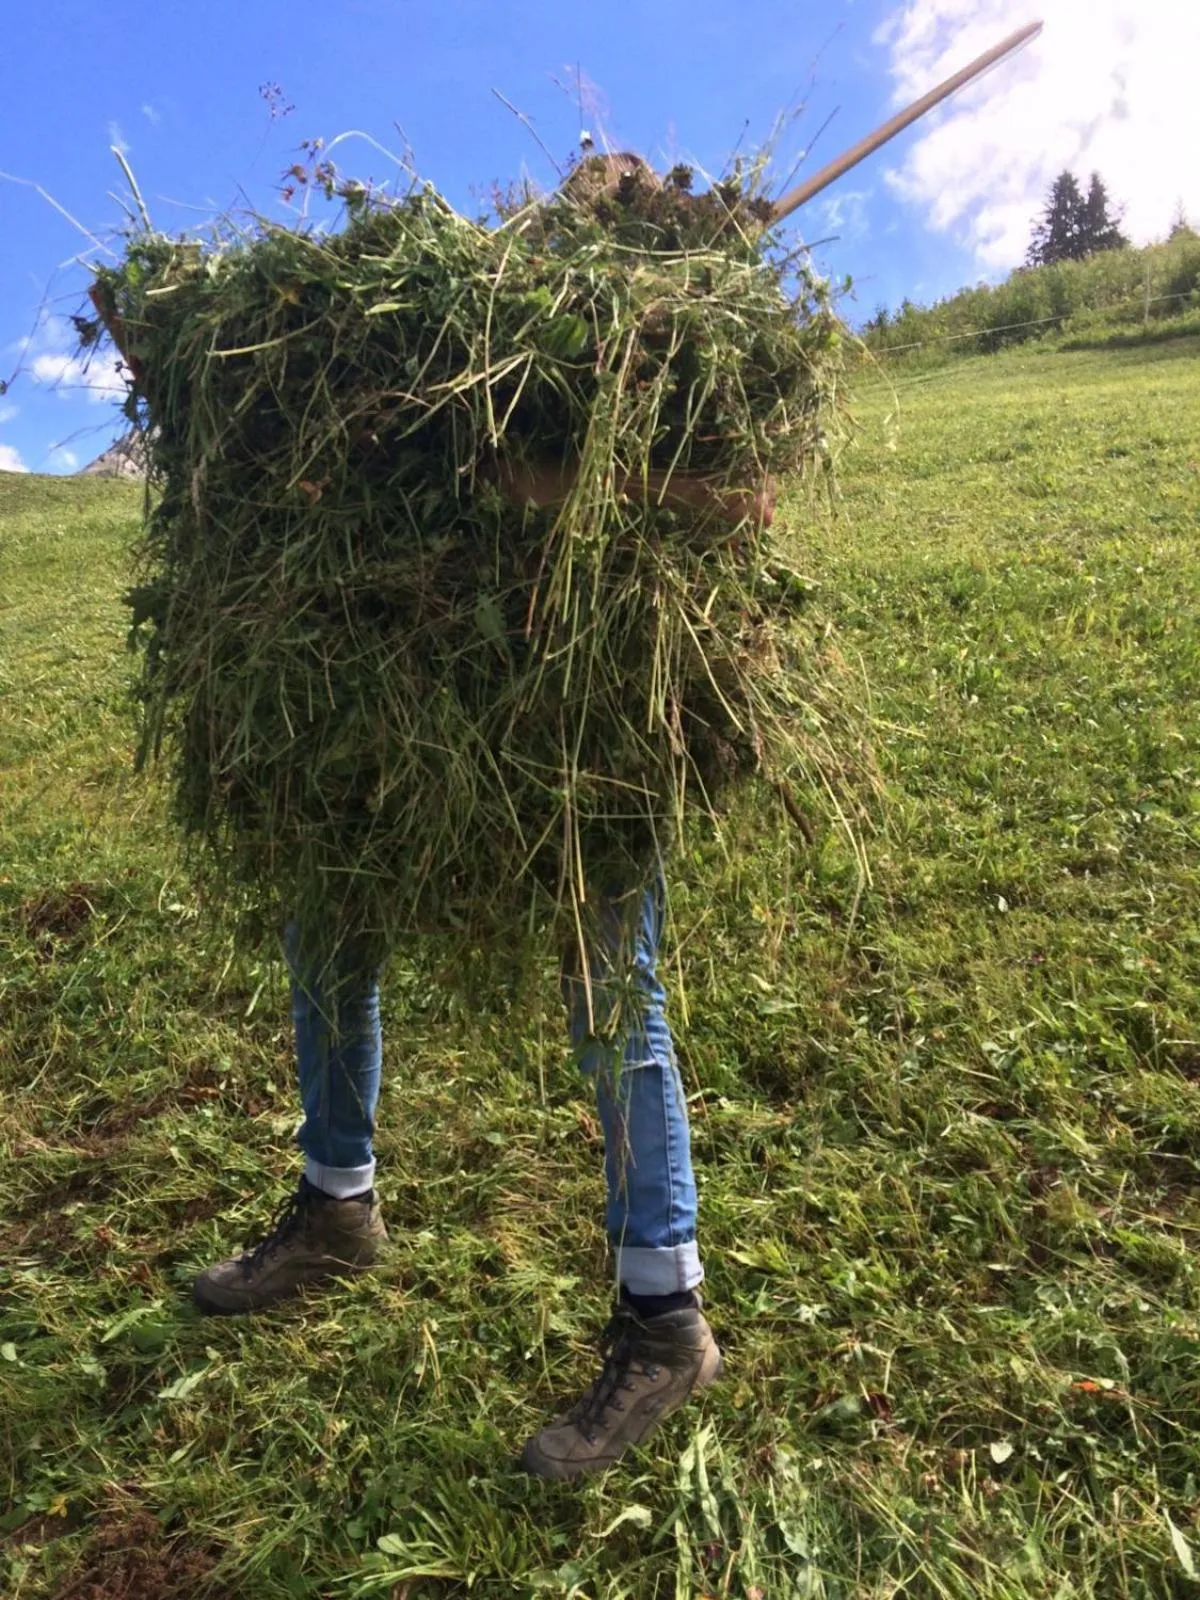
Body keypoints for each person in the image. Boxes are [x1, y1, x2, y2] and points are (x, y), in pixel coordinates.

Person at [92, 155, 775, 1481]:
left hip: (587, 729)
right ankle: (337, 1207)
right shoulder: (481, 318)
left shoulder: (690, 330)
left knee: (610, 997)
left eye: (611, 185)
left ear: (647, 214)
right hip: (410, 711)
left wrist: (544, 492)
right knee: (327, 928)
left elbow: (737, 506)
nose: (582, 196)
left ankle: (664, 1318)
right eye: (568, 189)